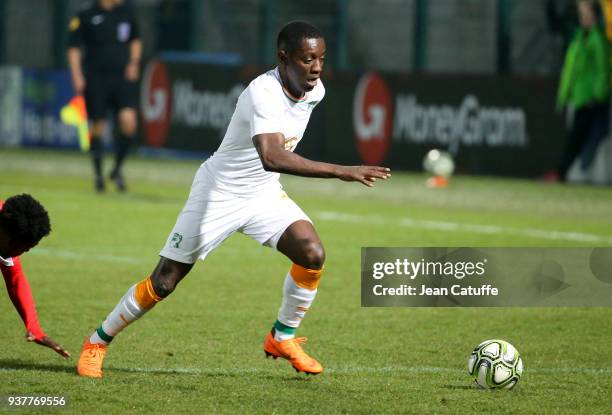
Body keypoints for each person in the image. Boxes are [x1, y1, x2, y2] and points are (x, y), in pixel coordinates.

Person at [76, 21, 391, 378]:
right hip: (219, 193)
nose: (317, 67)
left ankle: (281, 337)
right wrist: (341, 171)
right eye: (307, 59)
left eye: (321, 58)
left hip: (262, 193)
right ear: (283, 57)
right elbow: (272, 156)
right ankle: (97, 342)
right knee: (164, 281)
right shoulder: (263, 92)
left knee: (312, 254)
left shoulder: (315, 91)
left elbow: (271, 164)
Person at [67, 0, 142, 192]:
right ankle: (98, 175)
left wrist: (134, 63)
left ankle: (116, 168)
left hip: (121, 78)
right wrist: (76, 75)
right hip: (96, 79)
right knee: (98, 126)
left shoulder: (126, 13)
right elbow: (73, 47)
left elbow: (135, 39)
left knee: (129, 121)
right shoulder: (85, 15)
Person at [1, 194, 70, 358]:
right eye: (24, 248)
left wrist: (34, 327)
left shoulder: (8, 224)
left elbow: (15, 279)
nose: (23, 253)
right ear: (11, 240)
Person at [555, 0, 610, 181]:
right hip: (577, 97)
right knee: (578, 138)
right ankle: (565, 173)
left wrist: (598, 95)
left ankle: (562, 173)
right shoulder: (579, 38)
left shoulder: (597, 39)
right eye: (582, 14)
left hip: (590, 99)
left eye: (587, 14)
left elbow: (603, 70)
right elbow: (570, 70)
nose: (583, 18)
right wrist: (564, 95)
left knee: (583, 139)